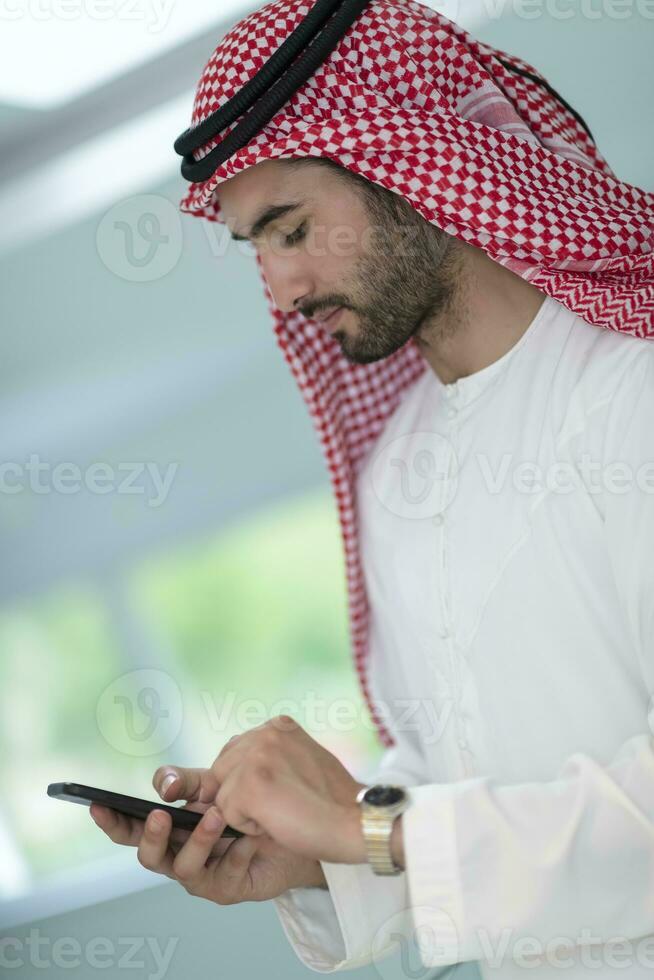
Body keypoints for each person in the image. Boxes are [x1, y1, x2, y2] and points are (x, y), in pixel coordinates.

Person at [91, 0, 654, 976]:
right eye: (256, 248)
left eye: (293, 228)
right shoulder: (396, 471)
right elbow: (459, 783)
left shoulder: (629, 392)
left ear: (410, 160)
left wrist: (368, 827)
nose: (282, 289)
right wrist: (310, 856)